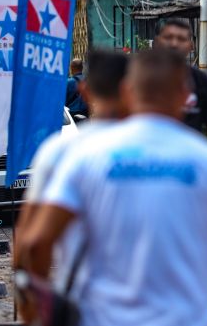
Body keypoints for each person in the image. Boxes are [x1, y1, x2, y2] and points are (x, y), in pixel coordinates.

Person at [15, 48, 207, 326]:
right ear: (185, 96)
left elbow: (34, 242)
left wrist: (39, 306)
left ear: (128, 92)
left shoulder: (85, 157)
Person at [16, 49, 130, 294]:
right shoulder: (177, 154)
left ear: (86, 91)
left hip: (86, 307)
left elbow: (33, 241)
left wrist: (31, 304)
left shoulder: (59, 152)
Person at [154, 18, 207, 151]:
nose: (174, 43)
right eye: (168, 37)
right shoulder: (143, 79)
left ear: (191, 45)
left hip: (189, 158)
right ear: (158, 42)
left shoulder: (203, 82)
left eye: (181, 39)